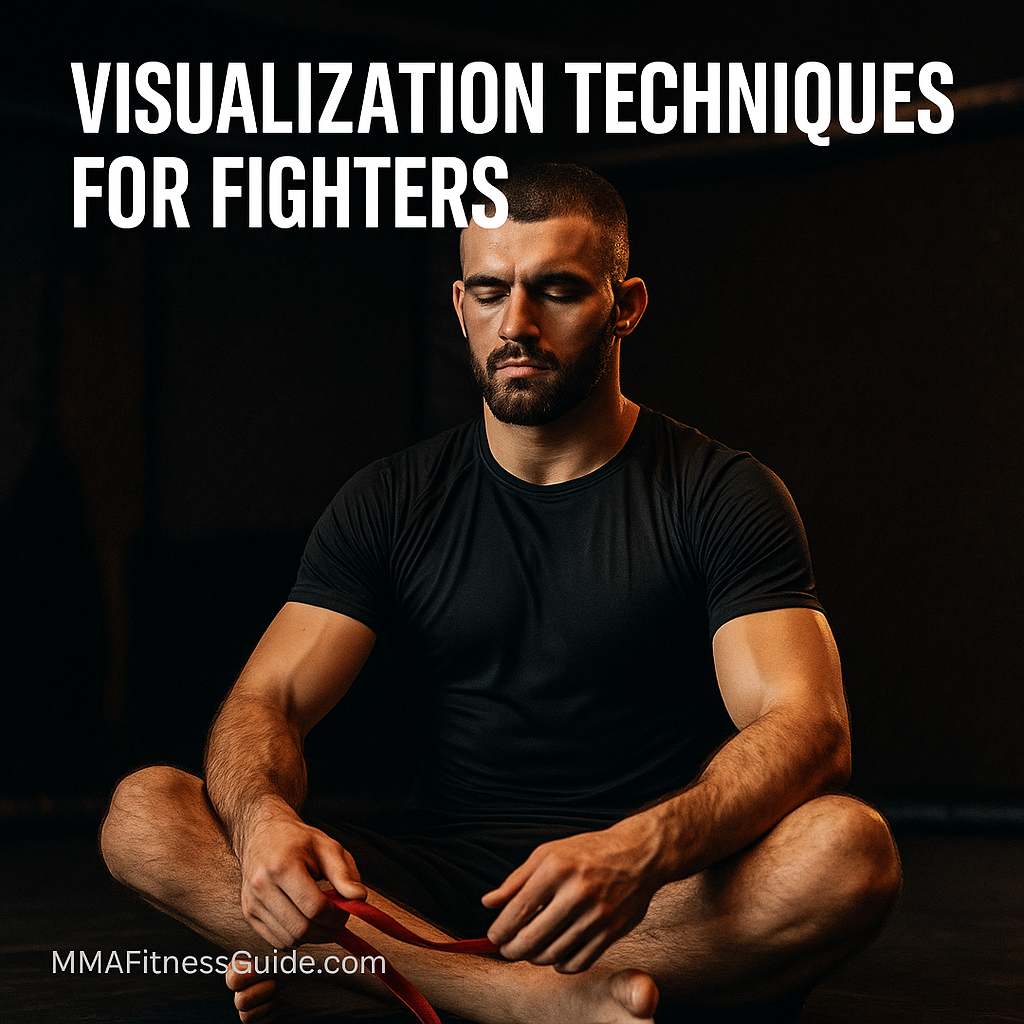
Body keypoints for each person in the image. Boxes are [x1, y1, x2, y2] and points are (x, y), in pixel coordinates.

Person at [100, 163, 902, 1024]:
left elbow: (809, 726)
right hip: (437, 888)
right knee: (146, 813)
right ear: (459, 305)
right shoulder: (391, 499)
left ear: (626, 305)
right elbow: (270, 700)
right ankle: (525, 1002)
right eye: (489, 291)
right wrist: (263, 821)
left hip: (646, 900)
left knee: (848, 850)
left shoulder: (721, 493)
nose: (515, 324)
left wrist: (642, 849)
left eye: (557, 290)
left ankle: (378, 982)